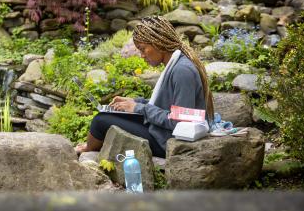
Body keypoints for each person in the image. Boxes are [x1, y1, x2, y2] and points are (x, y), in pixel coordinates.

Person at [75, 15, 214, 157]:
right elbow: (168, 106)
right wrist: (135, 102)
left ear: (158, 43)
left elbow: (180, 120)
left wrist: (139, 108)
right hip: (162, 131)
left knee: (100, 120)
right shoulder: (175, 64)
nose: (141, 55)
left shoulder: (182, 71)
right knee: (107, 114)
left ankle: (88, 150)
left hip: (168, 141)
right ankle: (93, 147)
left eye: (143, 49)